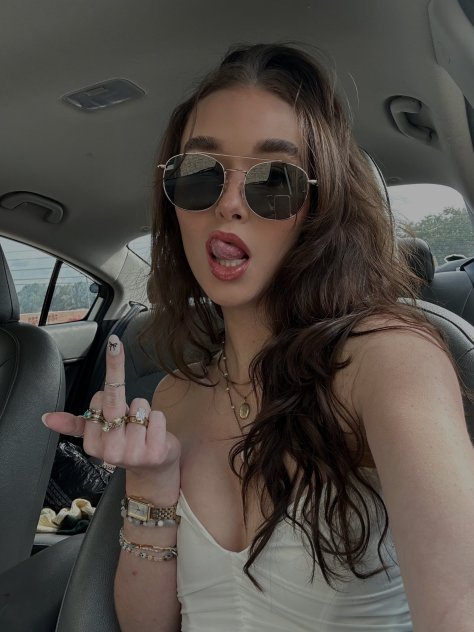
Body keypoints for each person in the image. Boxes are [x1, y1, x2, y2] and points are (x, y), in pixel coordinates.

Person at [43, 43, 474, 631]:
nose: (228, 204)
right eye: (200, 174)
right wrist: (149, 480)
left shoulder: (388, 362)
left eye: (274, 179)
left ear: (320, 207)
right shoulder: (173, 398)